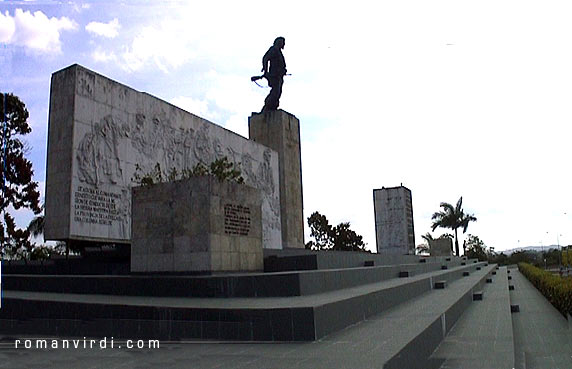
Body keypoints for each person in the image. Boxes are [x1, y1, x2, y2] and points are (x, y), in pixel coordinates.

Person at [261, 37, 286, 112]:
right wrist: (265, 71)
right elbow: (265, 58)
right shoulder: (274, 49)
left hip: (279, 76)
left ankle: (272, 106)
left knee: (277, 92)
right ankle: (268, 107)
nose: (284, 44)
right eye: (282, 42)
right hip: (274, 75)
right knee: (275, 92)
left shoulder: (278, 51)